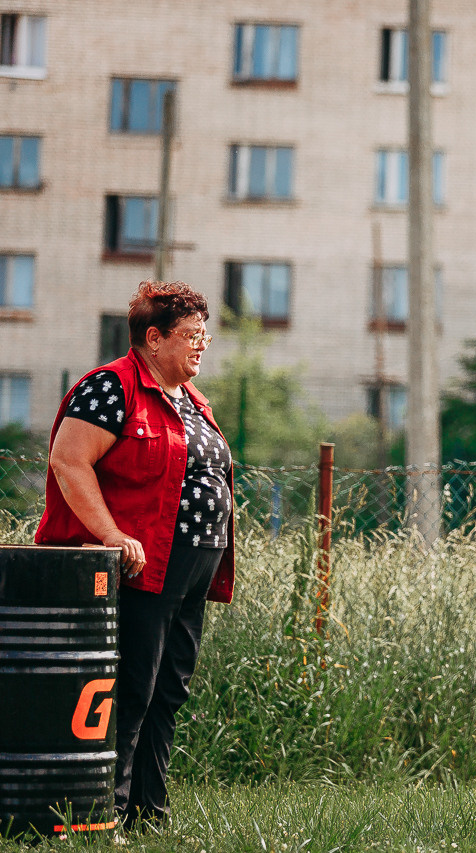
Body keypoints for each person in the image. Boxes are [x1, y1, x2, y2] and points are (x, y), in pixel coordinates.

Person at [35, 280, 235, 832]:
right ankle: (107, 815)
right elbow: (69, 462)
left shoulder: (192, 401)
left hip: (193, 567)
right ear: (153, 337)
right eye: (192, 335)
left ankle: (150, 813)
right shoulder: (110, 387)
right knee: (133, 691)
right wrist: (112, 535)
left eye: (204, 335)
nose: (202, 345)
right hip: (142, 567)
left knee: (169, 689)